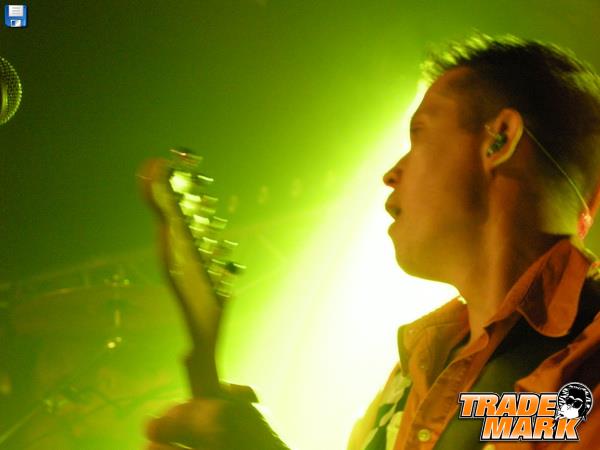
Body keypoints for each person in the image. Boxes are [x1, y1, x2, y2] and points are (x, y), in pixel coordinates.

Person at [144, 34, 600, 450]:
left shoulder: (585, 366)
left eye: (419, 136)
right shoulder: (413, 375)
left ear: (499, 139)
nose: (390, 173)